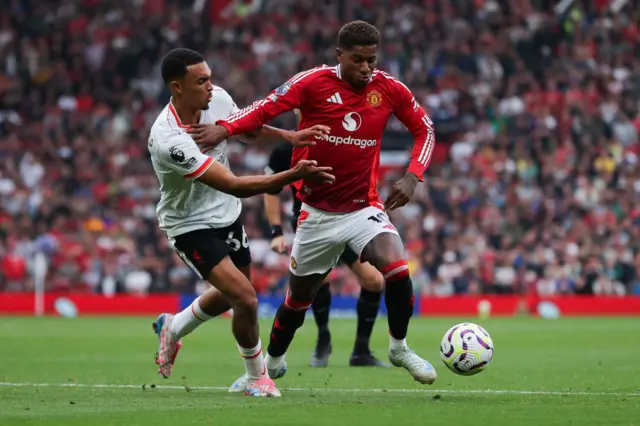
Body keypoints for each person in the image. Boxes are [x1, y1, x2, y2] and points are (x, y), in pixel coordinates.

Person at [190, 20, 438, 388]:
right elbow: (264, 108)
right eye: (358, 60)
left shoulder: (389, 89)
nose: (367, 68)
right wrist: (225, 128)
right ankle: (268, 364)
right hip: (316, 215)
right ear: (340, 55)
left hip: (362, 209)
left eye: (372, 59)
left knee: (397, 269)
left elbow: (426, 129)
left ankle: (399, 347)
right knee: (297, 302)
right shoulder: (313, 82)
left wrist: (413, 175)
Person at [148, 48, 334, 397]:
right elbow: (232, 183)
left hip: (227, 214)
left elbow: (245, 130)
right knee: (246, 299)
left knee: (235, 294)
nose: (210, 86)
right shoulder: (168, 139)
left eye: (210, 77)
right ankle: (257, 377)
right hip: (189, 224)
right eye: (201, 81)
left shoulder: (217, 99)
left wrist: (288, 137)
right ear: (177, 87)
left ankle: (173, 326)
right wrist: (292, 173)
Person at [264, 139, 388, 368]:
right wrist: (276, 231)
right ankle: (323, 339)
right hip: (310, 221)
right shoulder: (285, 149)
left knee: (373, 281)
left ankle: (361, 351)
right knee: (320, 279)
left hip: (346, 217)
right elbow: (270, 190)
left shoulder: (341, 138)